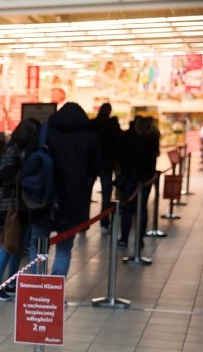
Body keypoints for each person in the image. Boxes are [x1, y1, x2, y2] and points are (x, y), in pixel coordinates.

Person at [28, 102, 102, 277]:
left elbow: (30, 159)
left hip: (43, 197)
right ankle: (54, 293)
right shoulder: (89, 135)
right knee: (64, 248)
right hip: (73, 200)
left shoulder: (45, 131)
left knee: (37, 245)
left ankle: (37, 291)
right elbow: (97, 166)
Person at [0, 118, 40, 301]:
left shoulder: (22, 151)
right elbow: (5, 175)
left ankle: (10, 282)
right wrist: (23, 173)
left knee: (18, 246)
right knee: (9, 244)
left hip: (20, 205)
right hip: (9, 206)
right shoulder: (12, 151)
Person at [117, 116, 160, 249]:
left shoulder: (132, 140)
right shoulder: (153, 141)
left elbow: (123, 158)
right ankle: (139, 239)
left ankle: (124, 238)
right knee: (142, 208)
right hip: (147, 178)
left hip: (132, 178)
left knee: (127, 209)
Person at [92, 103, 122, 234]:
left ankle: (82, 223)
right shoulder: (112, 125)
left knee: (86, 192)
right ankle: (104, 223)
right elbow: (118, 143)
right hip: (107, 162)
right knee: (106, 194)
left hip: (92, 163)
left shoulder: (92, 124)